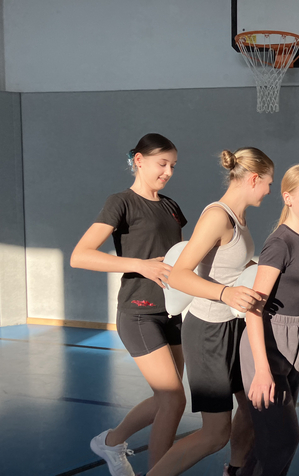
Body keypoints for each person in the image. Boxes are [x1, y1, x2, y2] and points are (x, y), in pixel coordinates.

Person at [149, 148, 274, 476]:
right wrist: (225, 293)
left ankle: (235, 470)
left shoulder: (239, 218)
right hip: (207, 333)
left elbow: (231, 267)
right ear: (254, 179)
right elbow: (179, 275)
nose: (269, 191)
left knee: (252, 407)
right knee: (215, 433)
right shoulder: (217, 216)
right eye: (269, 183)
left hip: (233, 327)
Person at [70, 133, 187, 476]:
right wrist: (140, 265)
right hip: (139, 313)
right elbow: (80, 255)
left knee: (168, 400)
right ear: (139, 160)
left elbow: (177, 258)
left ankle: (110, 442)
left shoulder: (171, 206)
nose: (168, 172)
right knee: (173, 399)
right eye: (162, 164)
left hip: (172, 312)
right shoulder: (121, 202)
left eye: (173, 166)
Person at [240, 165, 299, 476]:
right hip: (266, 343)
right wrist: (262, 369)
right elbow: (254, 309)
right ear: (288, 198)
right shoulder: (280, 243)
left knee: (269, 443)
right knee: (284, 440)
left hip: (295, 340)